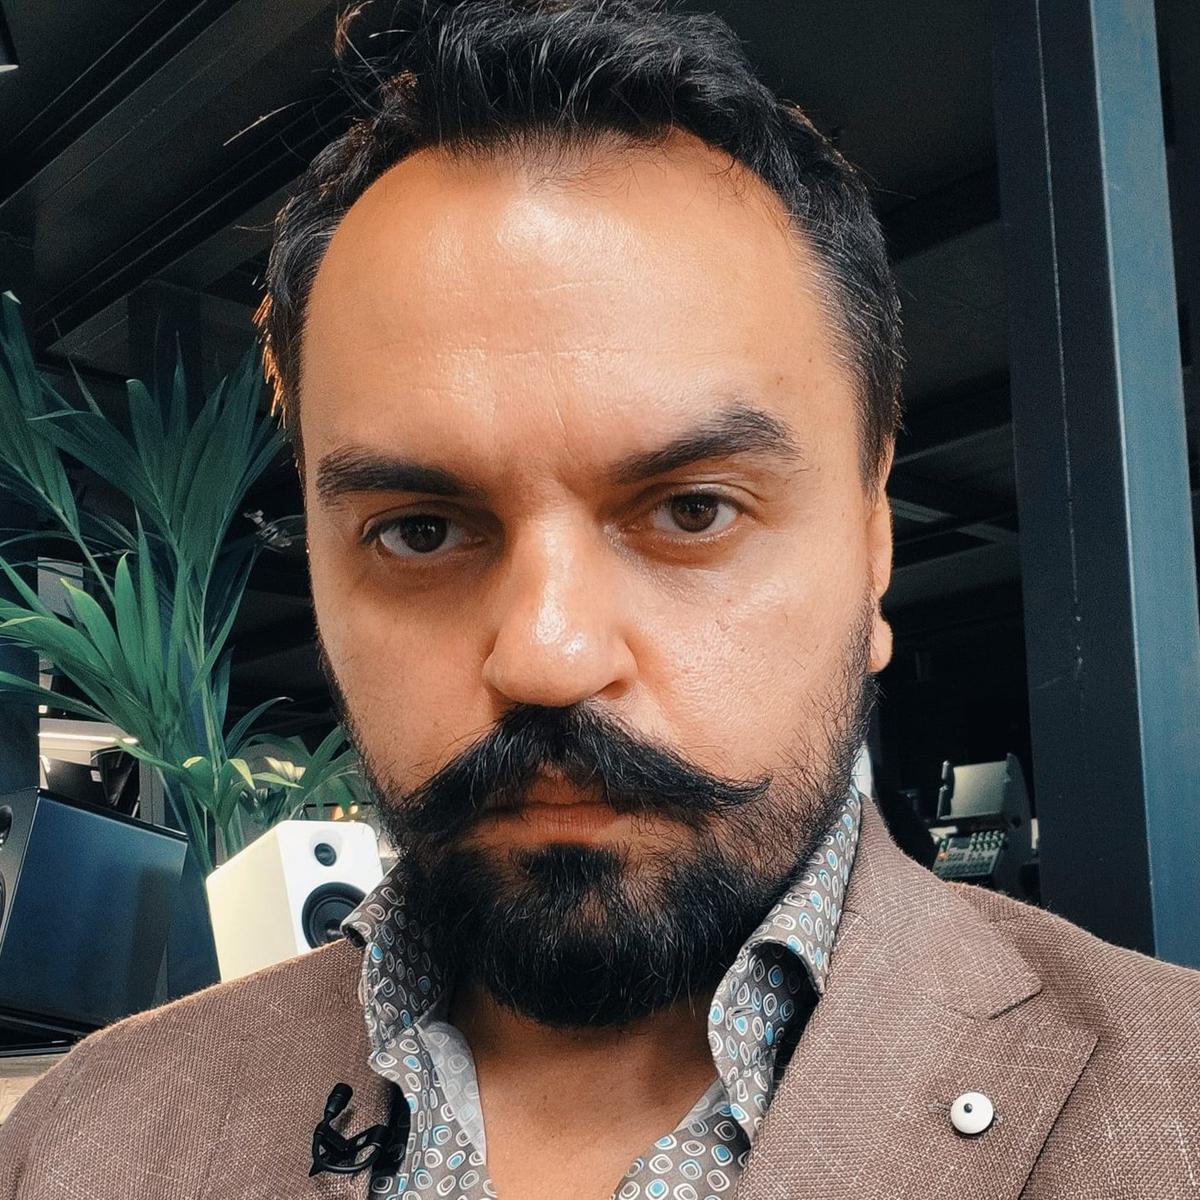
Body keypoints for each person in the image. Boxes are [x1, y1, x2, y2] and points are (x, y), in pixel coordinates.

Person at [3, 2, 1198, 1197]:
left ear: (873, 536)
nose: (549, 655)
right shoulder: (82, 1147)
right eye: (420, 531)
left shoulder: (1171, 1109)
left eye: (693, 510)